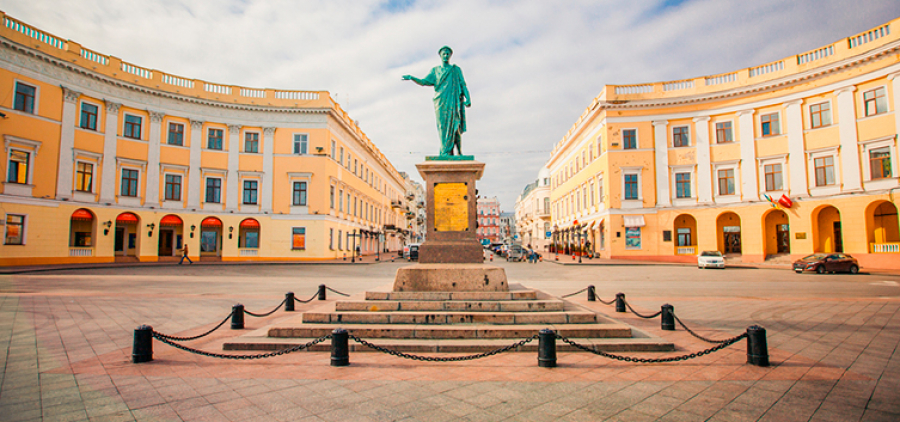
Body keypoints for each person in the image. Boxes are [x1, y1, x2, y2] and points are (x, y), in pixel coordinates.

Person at [402, 46, 471, 156]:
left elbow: (463, 85)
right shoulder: (435, 71)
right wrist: (412, 77)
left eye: (448, 54)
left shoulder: (455, 70)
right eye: (444, 53)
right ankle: (445, 151)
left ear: (450, 55)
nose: (446, 55)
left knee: (455, 126)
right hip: (440, 102)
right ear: (440, 55)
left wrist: (468, 98)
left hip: (453, 101)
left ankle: (458, 152)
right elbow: (424, 81)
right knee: (442, 127)